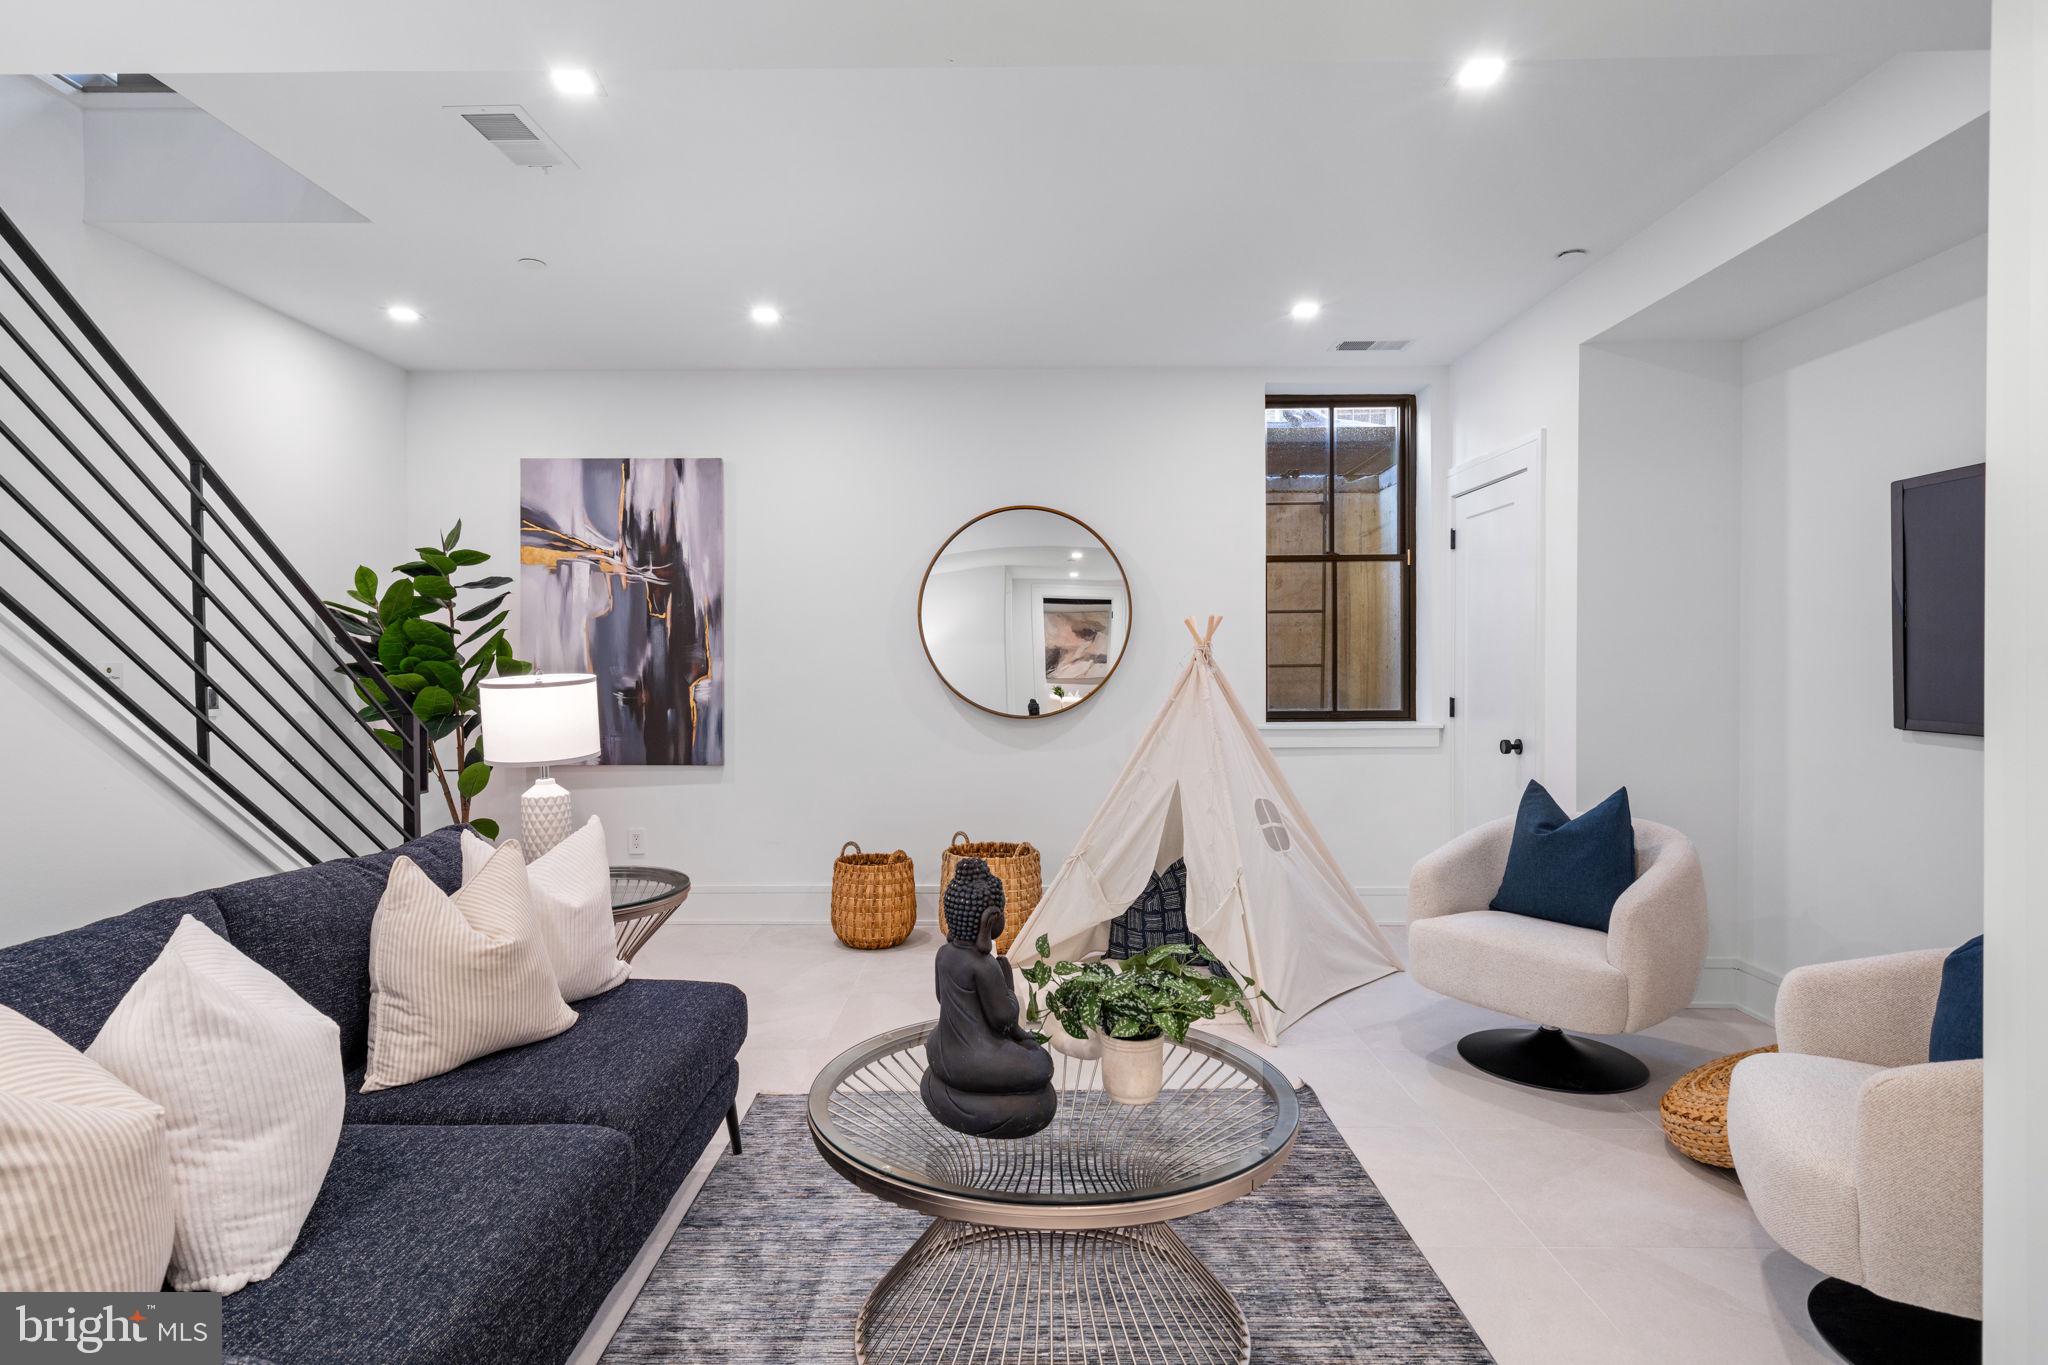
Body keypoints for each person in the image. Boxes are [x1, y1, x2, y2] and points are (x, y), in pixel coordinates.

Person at [920, 859, 1057, 1139]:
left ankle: (945, 1094)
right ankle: (983, 1103)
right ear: (990, 920)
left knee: (1025, 1067)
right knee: (1042, 1064)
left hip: (941, 1050)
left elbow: (940, 997)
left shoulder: (944, 955)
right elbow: (1002, 1019)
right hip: (974, 1059)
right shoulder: (984, 965)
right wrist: (1007, 985)